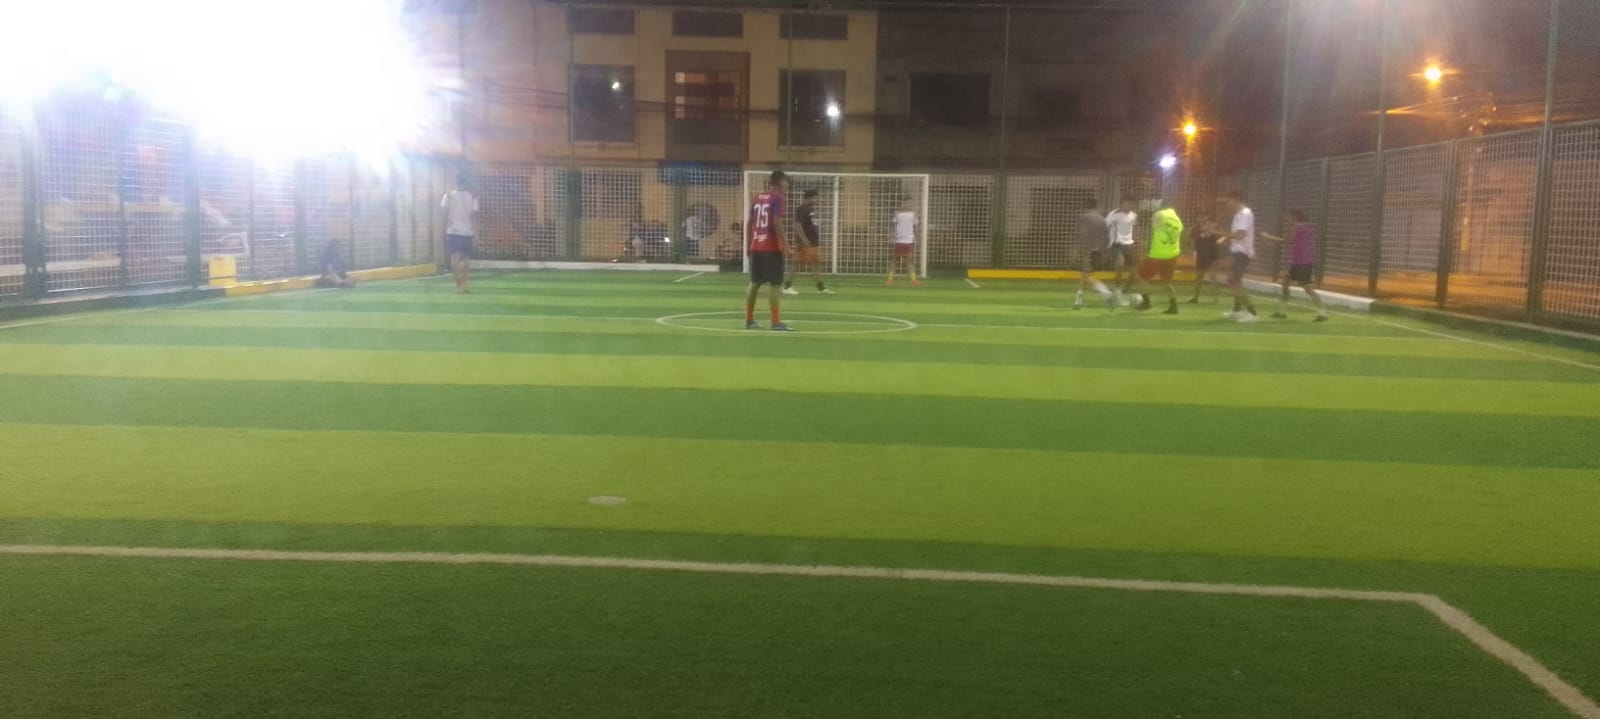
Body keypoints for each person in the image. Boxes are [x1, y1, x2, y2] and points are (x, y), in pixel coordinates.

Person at [1261, 209, 1330, 322]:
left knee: (1307, 288)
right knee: (1285, 284)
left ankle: (1322, 313)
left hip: (1302, 263)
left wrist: (1268, 237)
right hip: (1298, 263)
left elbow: (1286, 241)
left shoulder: (1298, 227)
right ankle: (1282, 312)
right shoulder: (1303, 227)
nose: (1287, 219)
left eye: (1289, 217)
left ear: (1294, 217)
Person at [745, 171, 793, 331]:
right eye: (786, 183)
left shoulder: (757, 197)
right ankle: (775, 322)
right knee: (775, 284)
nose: (787, 186)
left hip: (756, 246)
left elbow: (749, 223)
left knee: (754, 283)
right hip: (771, 247)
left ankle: (749, 320)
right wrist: (786, 246)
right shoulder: (778, 198)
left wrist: (748, 245)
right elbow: (777, 223)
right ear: (779, 183)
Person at [783, 189, 833, 296]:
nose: (818, 200)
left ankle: (821, 288)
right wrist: (804, 239)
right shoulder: (802, 209)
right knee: (797, 264)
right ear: (809, 198)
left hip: (813, 242)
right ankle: (787, 287)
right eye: (816, 198)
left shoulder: (811, 209)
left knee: (816, 263)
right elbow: (797, 225)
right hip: (805, 243)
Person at [1220, 192, 1259, 323]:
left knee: (1234, 281)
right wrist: (1224, 239)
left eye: (1229, 201)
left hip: (1242, 253)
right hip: (1237, 252)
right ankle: (1237, 310)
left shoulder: (1245, 214)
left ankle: (1252, 313)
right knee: (1233, 281)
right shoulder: (1237, 215)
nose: (1227, 204)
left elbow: (1240, 235)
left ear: (1235, 200)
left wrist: (1218, 233)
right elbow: (1236, 235)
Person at [1072, 198, 1115, 310]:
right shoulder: (1102, 220)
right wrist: (1105, 252)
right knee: (1085, 275)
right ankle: (1078, 301)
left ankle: (1106, 293)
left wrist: (1077, 249)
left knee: (1086, 276)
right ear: (1097, 206)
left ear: (1086, 206)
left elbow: (1082, 234)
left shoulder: (1084, 217)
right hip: (1099, 251)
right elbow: (1107, 238)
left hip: (1088, 250)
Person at [441, 173, 478, 294]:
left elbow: (444, 214)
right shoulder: (472, 196)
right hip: (467, 231)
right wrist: (476, 233)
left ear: (455, 182)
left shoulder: (448, 196)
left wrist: (443, 229)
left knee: (455, 258)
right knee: (466, 258)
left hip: (453, 231)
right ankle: (465, 284)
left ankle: (458, 286)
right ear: (466, 183)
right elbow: (474, 217)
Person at [1105, 198, 1139, 304]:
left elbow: (1133, 228)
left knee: (1134, 272)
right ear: (1121, 204)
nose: (1128, 206)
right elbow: (1106, 226)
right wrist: (1107, 241)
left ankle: (1124, 291)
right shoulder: (1114, 214)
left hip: (1129, 244)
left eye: (1130, 204)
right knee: (1120, 266)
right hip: (1117, 244)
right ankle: (1117, 291)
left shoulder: (1133, 215)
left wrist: (1136, 241)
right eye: (1126, 204)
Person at [1187, 217, 1225, 304]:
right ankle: (1195, 298)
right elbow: (1192, 240)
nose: (1201, 218)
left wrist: (1219, 242)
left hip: (1211, 256)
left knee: (1213, 276)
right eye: (1200, 216)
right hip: (1201, 255)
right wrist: (1194, 251)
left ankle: (1216, 298)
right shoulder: (1195, 228)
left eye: (1204, 216)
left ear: (1207, 217)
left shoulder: (1214, 226)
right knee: (1199, 277)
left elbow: (1223, 236)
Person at [887, 198, 919, 286]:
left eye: (910, 203)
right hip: (901, 239)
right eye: (907, 203)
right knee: (896, 260)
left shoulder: (909, 213)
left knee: (908, 260)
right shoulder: (900, 213)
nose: (909, 205)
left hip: (907, 239)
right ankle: (890, 279)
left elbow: (914, 226)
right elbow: (894, 225)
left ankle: (913, 280)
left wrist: (916, 237)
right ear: (903, 203)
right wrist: (892, 236)